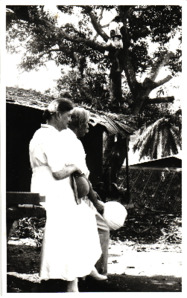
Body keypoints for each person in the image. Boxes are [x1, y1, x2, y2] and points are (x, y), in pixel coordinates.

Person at [29, 99, 106, 292]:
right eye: (68, 116)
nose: (69, 120)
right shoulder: (50, 137)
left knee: (84, 217)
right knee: (76, 221)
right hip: (50, 188)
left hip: (49, 187)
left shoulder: (42, 134)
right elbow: (58, 172)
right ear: (56, 114)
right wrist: (75, 166)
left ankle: (84, 268)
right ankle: (73, 281)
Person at [64, 107, 110, 276]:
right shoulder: (72, 142)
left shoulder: (72, 141)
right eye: (86, 125)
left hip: (80, 195)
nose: (88, 129)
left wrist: (91, 192)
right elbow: (78, 174)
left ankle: (86, 272)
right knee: (102, 228)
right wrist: (94, 199)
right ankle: (97, 271)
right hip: (76, 198)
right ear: (79, 124)